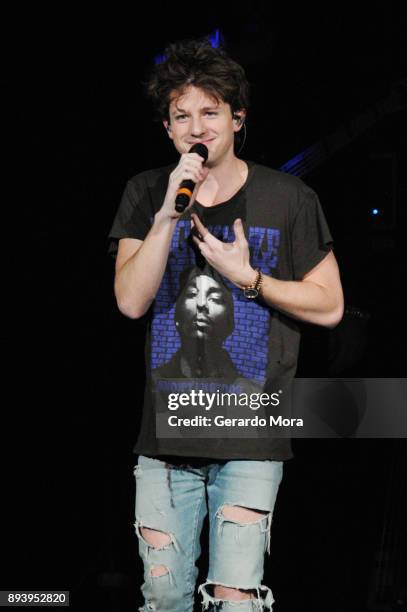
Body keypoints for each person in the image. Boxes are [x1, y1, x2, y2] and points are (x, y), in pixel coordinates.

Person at [107, 37, 344, 611]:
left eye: (210, 112)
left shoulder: (288, 198)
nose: (197, 127)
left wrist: (250, 278)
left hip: (251, 434)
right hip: (165, 440)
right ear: (167, 129)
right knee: (164, 595)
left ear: (237, 118)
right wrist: (166, 216)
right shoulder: (146, 193)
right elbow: (131, 302)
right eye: (182, 116)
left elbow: (331, 305)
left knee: (237, 600)